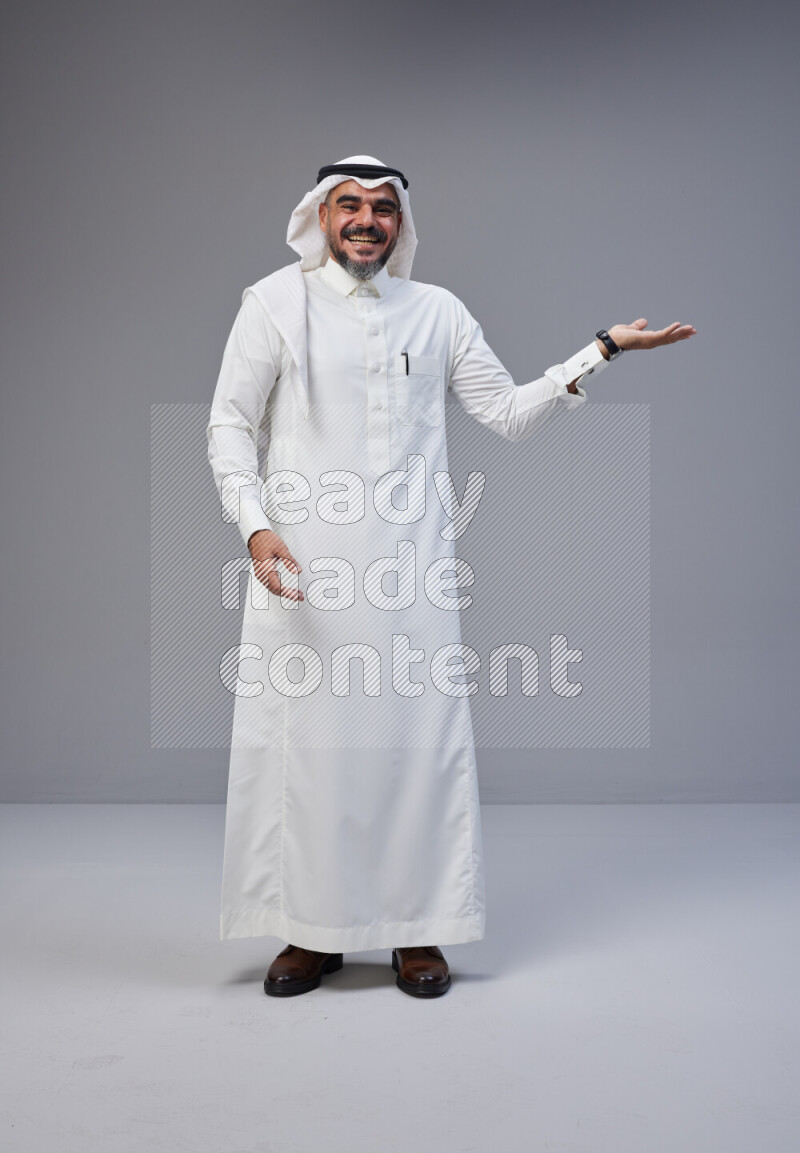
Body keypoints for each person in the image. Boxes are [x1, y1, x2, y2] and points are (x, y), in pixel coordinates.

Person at [206, 155, 696, 999]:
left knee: (415, 749)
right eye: (349, 205)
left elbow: (505, 412)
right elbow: (228, 424)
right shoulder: (274, 304)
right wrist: (255, 527)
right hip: (302, 571)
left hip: (411, 573)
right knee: (311, 755)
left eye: (382, 208)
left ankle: (416, 928)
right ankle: (310, 932)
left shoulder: (437, 312)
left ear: (400, 223)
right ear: (321, 217)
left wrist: (604, 348)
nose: (366, 220)